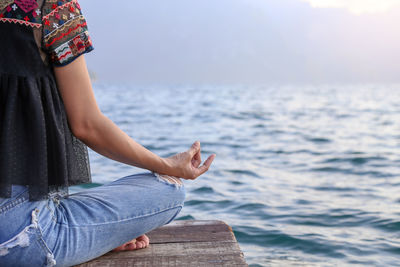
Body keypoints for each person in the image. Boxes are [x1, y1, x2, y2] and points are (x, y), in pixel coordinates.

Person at [0, 0, 216, 266]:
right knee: (171, 192)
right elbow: (87, 125)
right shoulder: (52, 8)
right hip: (16, 238)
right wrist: (168, 165)